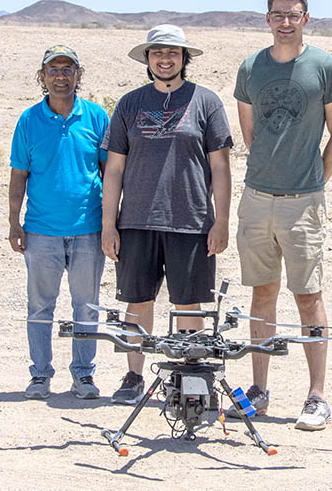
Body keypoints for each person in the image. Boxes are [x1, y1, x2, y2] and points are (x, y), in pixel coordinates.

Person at [228, 0, 332, 431]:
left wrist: (313, 180)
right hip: (257, 199)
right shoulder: (250, 68)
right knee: (262, 293)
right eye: (278, 14)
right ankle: (258, 390)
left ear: (305, 17)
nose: (285, 22)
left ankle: (317, 396)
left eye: (293, 14)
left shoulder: (324, 67)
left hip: (303, 203)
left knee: (308, 296)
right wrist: (272, 173)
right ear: (267, 18)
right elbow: (250, 134)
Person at [101, 25, 233, 405]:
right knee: (138, 300)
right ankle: (133, 375)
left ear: (184, 59)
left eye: (172, 53)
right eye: (157, 52)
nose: (164, 59)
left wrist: (220, 220)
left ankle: (188, 380)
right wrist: (109, 223)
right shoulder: (129, 104)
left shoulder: (206, 102)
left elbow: (220, 167)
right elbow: (114, 169)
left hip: (191, 220)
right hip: (137, 221)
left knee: (188, 303)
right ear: (147, 59)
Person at [9, 45, 109, 400]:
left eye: (68, 69)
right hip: (41, 232)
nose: (61, 76)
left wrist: (111, 224)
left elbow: (109, 173)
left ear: (79, 76)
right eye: (54, 70)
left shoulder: (97, 118)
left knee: (86, 306)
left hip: (88, 231)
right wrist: (13, 222)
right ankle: (40, 375)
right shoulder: (28, 120)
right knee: (40, 306)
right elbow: (19, 174)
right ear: (42, 77)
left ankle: (83, 376)